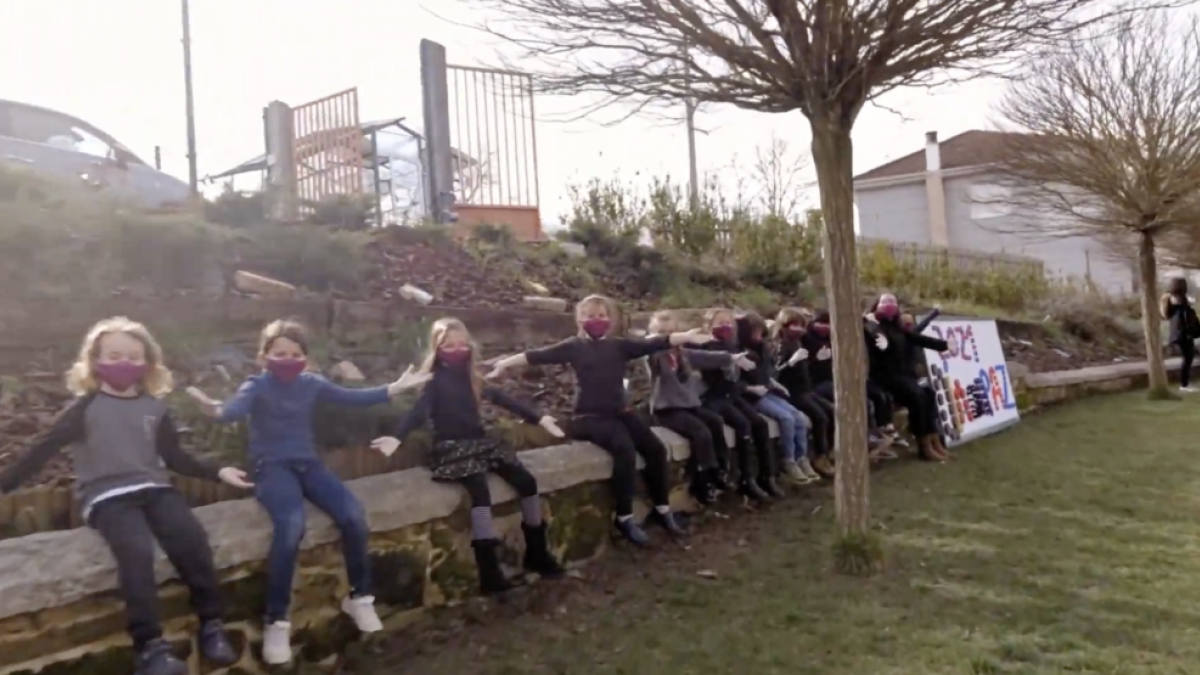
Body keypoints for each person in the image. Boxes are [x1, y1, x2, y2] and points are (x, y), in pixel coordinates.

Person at [0, 317, 250, 675]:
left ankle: (212, 624)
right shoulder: (84, 409)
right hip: (107, 497)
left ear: (147, 363)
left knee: (191, 539)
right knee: (135, 551)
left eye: (134, 357)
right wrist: (4, 484)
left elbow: (176, 457)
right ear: (96, 360)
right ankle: (150, 647)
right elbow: (42, 450)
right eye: (114, 355)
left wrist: (217, 471)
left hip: (155, 489)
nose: (124, 364)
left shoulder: (154, 407)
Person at [187, 320, 430, 666]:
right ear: (264, 356)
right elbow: (234, 409)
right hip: (272, 468)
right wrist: (215, 410)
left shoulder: (311, 384)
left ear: (306, 358)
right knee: (291, 525)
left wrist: (396, 387)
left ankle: (360, 598)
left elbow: (353, 398)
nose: (287, 359)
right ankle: (277, 620)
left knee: (353, 515)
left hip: (308, 464)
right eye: (279, 353)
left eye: (295, 354)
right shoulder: (256, 385)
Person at [486, 295, 713, 546]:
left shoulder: (619, 346)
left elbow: (656, 343)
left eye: (602, 315)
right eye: (591, 315)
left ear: (610, 319)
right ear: (581, 319)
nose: (597, 320)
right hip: (589, 417)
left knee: (655, 449)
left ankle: (662, 509)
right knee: (624, 450)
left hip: (620, 412)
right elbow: (536, 356)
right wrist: (503, 364)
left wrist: (687, 337)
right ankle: (624, 516)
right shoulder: (574, 346)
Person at [370, 318, 566, 595]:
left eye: (462, 344)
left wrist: (539, 417)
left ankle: (537, 551)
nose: (457, 350)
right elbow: (416, 413)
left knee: (527, 482)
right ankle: (488, 570)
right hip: (451, 447)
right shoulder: (434, 382)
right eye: (449, 346)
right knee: (479, 492)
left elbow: (503, 399)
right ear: (437, 349)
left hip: (480, 443)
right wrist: (396, 438)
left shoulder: (473, 379)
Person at [644, 310, 756, 505]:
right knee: (700, 432)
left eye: (671, 331)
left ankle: (721, 469)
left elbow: (707, 357)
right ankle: (705, 478)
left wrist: (732, 358)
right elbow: (647, 345)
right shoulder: (655, 355)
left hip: (689, 405)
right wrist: (673, 338)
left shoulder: (683, 354)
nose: (668, 335)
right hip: (667, 410)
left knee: (715, 421)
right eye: (663, 331)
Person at [697, 308, 778, 502]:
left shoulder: (733, 345)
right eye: (720, 322)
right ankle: (745, 479)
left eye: (728, 322)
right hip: (715, 398)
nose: (725, 326)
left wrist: (747, 387)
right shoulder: (705, 348)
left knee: (760, 424)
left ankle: (767, 475)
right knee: (743, 425)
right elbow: (712, 379)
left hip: (733, 395)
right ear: (709, 325)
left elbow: (738, 379)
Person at [736, 313, 819, 485]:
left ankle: (801, 457)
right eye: (755, 333)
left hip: (767, 391)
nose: (759, 337)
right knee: (786, 418)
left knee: (798, 416)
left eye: (760, 332)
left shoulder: (761, 349)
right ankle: (787, 460)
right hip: (752, 397)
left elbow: (766, 373)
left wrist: (774, 383)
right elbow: (736, 380)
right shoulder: (739, 352)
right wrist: (750, 388)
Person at [865, 294, 951, 462]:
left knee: (928, 394)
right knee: (916, 397)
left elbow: (916, 337)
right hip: (884, 377)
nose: (889, 306)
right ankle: (924, 447)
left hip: (902, 375)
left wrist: (944, 345)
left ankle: (934, 441)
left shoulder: (897, 327)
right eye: (885, 303)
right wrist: (872, 323)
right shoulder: (871, 326)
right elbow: (873, 336)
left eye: (893, 303)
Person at [802, 310, 894, 457]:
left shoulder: (833, 338)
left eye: (828, 324)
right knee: (849, 399)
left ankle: (869, 436)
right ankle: (857, 442)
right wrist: (816, 359)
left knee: (866, 400)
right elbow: (802, 367)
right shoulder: (806, 339)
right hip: (816, 383)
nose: (825, 327)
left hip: (834, 379)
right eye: (821, 323)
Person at [773, 308, 836, 477]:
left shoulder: (798, 342)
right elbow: (776, 372)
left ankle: (829, 452)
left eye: (801, 325)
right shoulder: (781, 345)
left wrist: (817, 359)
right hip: (792, 393)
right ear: (784, 325)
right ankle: (819, 457)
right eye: (794, 325)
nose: (798, 329)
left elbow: (805, 367)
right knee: (820, 417)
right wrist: (791, 362)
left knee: (832, 411)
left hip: (806, 389)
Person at [1162, 277, 1200, 392]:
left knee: (1188, 358)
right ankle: (1184, 385)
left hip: (1177, 336)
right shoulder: (1181, 303)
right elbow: (1187, 320)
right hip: (1183, 336)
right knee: (1187, 359)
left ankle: (1184, 384)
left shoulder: (1171, 301)